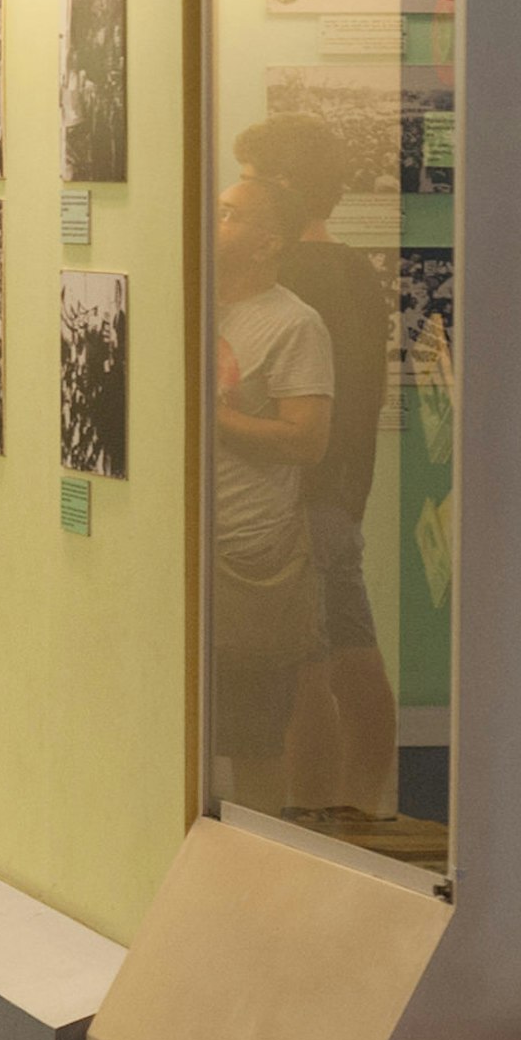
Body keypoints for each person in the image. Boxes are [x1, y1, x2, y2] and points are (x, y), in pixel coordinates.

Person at [236, 117, 397, 820]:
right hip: (338, 489)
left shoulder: (296, 279)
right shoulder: (353, 271)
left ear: (284, 187)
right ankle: (364, 812)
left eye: (249, 178)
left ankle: (317, 822)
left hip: (302, 495)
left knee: (306, 667)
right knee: (350, 655)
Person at [210, 175, 337, 812]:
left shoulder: (295, 324)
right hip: (184, 559)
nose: (214, 218)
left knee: (253, 744)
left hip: (248, 560)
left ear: (267, 244)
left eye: (230, 214)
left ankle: (263, 875)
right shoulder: (195, 300)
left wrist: (215, 418)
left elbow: (306, 440)